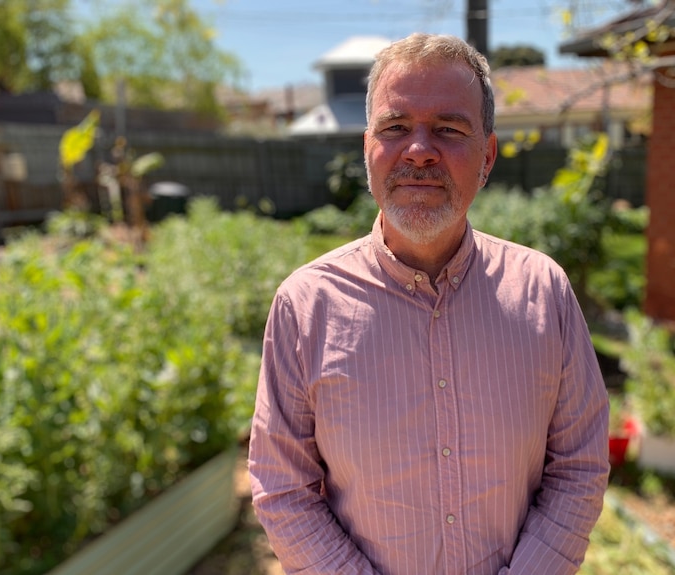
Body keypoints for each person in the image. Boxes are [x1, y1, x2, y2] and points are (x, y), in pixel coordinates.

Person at [249, 32, 610, 575]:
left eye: (448, 128)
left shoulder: (543, 291)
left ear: (486, 155)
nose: (419, 149)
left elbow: (579, 465)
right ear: (368, 148)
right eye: (396, 128)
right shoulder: (306, 305)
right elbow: (282, 486)